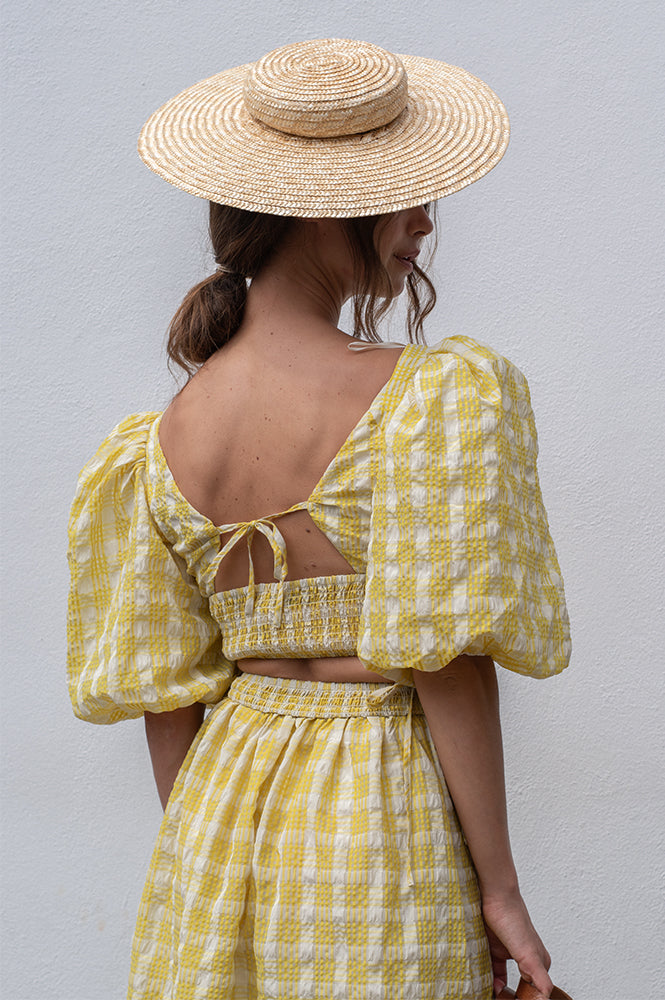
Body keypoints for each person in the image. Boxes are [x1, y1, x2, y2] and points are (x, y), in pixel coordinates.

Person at [66, 38, 571, 1000]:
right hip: (377, 813)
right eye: (407, 193)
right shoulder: (435, 401)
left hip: (217, 822)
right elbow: (446, 663)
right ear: (324, 209)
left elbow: (167, 699)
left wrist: (204, 865)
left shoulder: (153, 444)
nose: (425, 220)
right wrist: (500, 889)